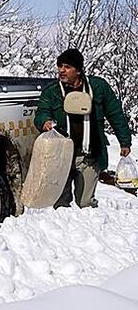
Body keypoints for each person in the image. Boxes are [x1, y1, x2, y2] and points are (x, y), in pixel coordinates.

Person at [34, 48, 132, 208]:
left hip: (89, 155)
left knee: (85, 202)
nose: (61, 71)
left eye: (67, 67)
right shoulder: (52, 92)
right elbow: (41, 112)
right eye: (60, 66)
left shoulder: (98, 88)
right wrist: (44, 121)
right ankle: (65, 231)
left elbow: (115, 114)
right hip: (61, 157)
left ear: (78, 70)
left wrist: (125, 142)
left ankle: (90, 230)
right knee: (61, 202)